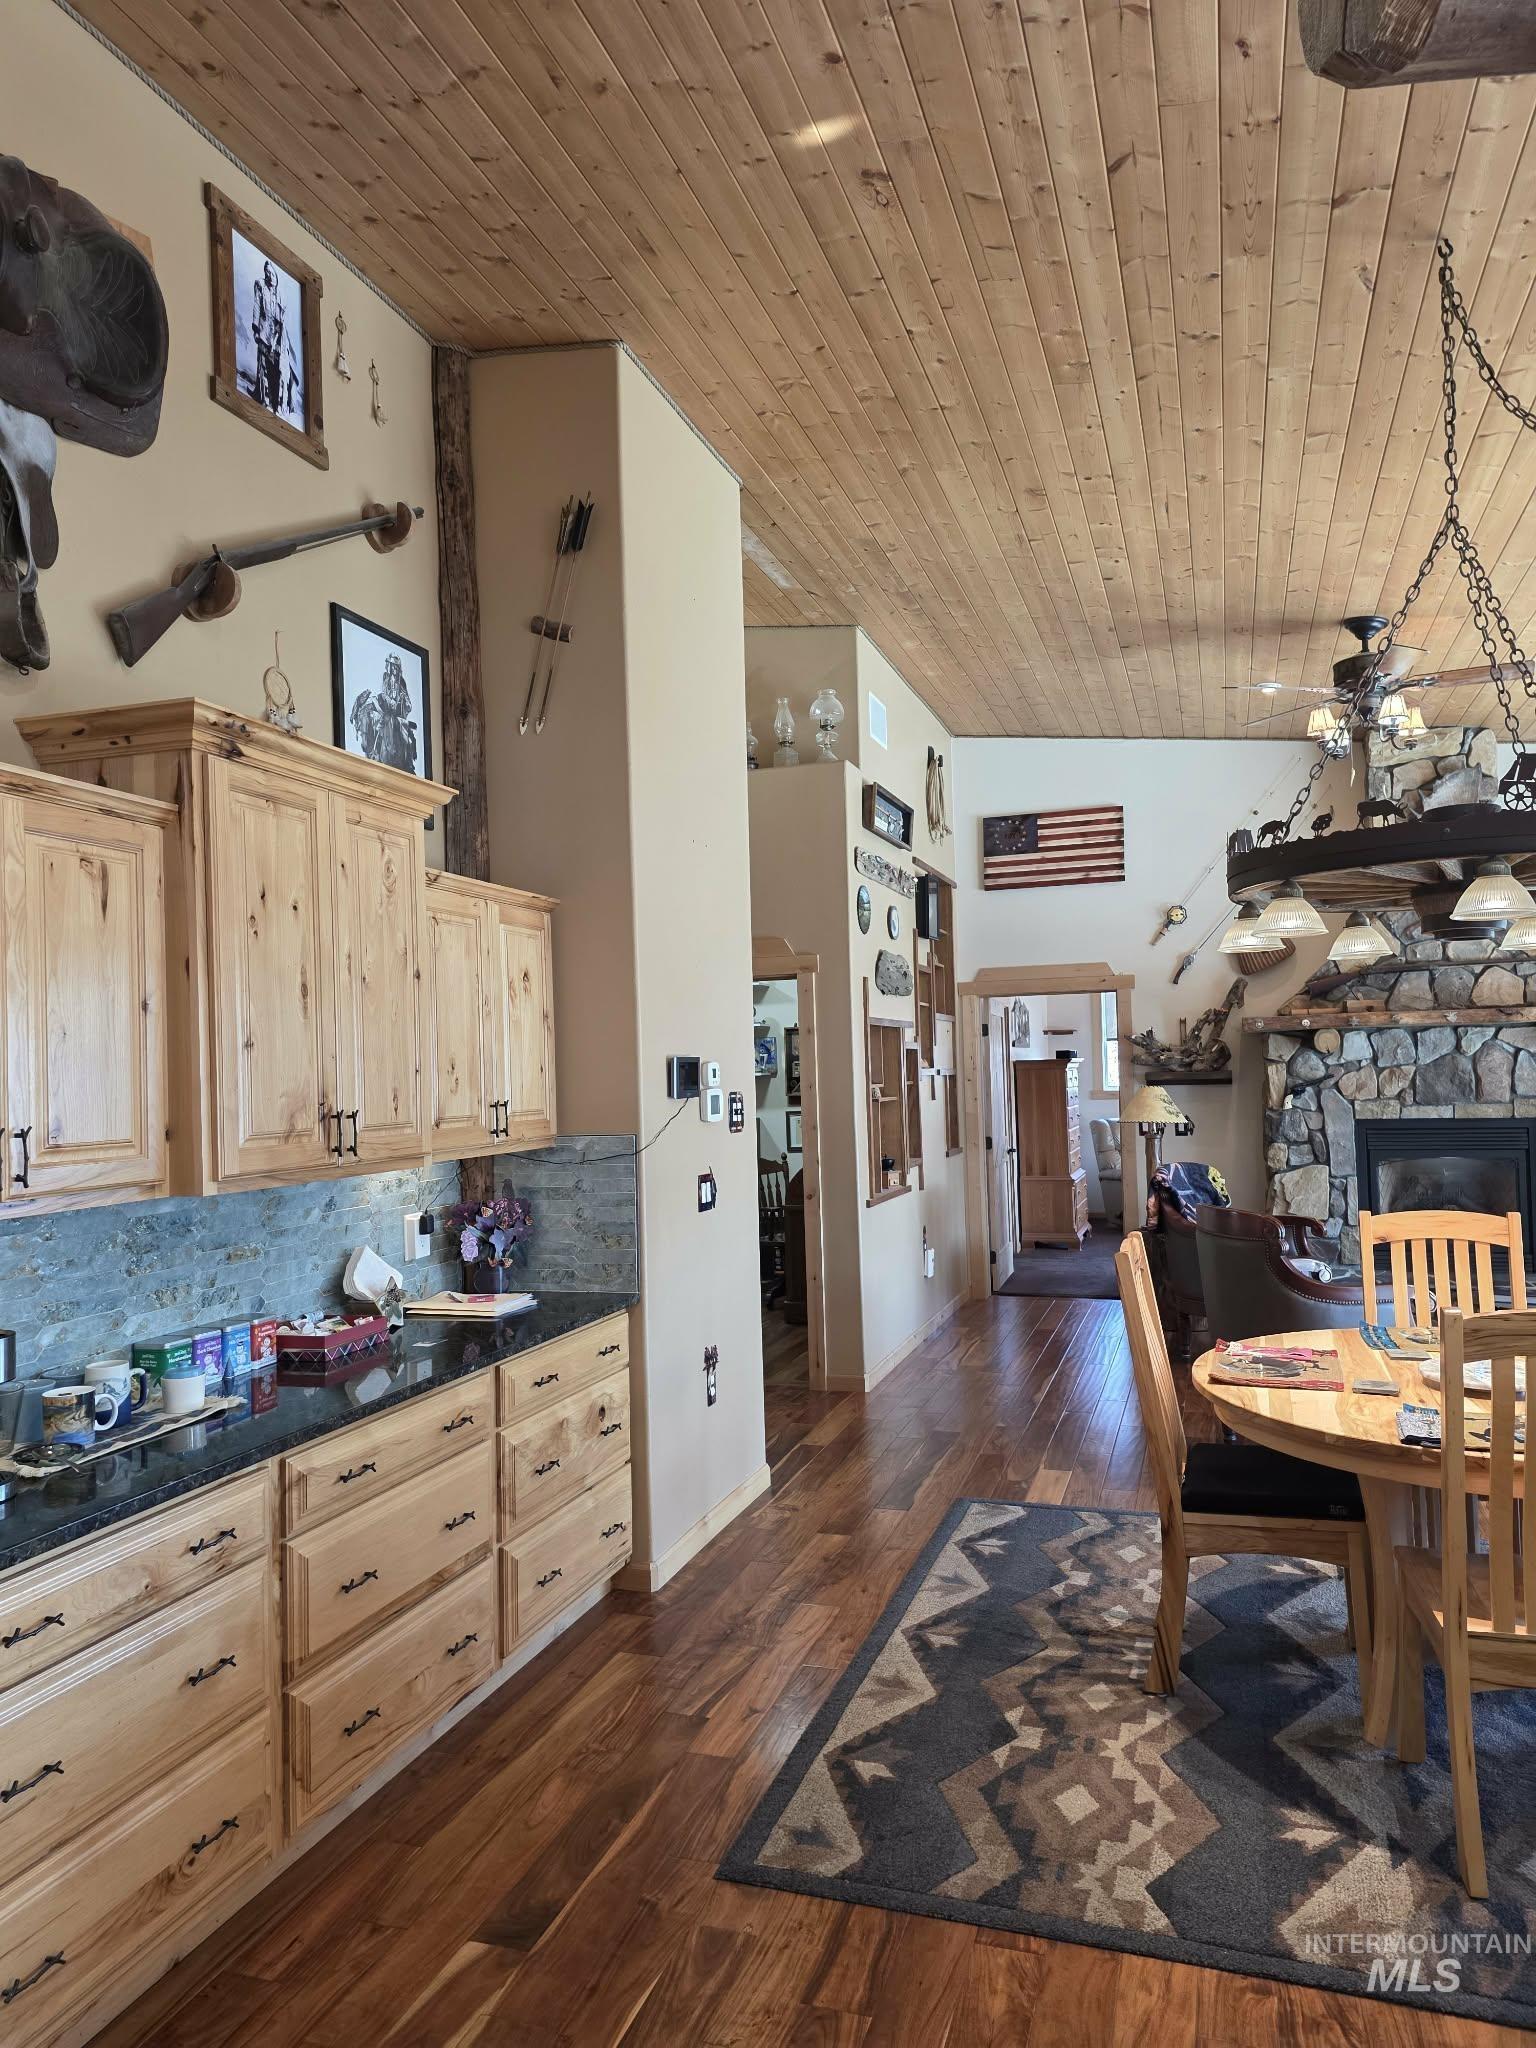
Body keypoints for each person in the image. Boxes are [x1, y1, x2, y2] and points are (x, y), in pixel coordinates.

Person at [349, 650, 418, 773]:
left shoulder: (401, 682)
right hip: (387, 710)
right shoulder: (385, 677)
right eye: (392, 666)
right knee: (381, 724)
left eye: (396, 667)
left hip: (398, 713)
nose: (394, 669)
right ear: (389, 666)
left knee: (406, 735)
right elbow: (384, 692)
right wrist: (388, 699)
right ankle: (375, 750)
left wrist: (402, 699)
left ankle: (408, 761)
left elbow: (408, 703)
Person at [251, 262, 285, 415]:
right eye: (266, 273)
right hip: (264, 332)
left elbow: (281, 318)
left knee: (274, 370)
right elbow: (257, 306)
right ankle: (261, 397)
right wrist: (256, 330)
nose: (268, 276)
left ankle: (274, 403)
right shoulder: (260, 285)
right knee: (261, 364)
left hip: (275, 338)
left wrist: (278, 336)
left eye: (271, 273)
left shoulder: (279, 294)